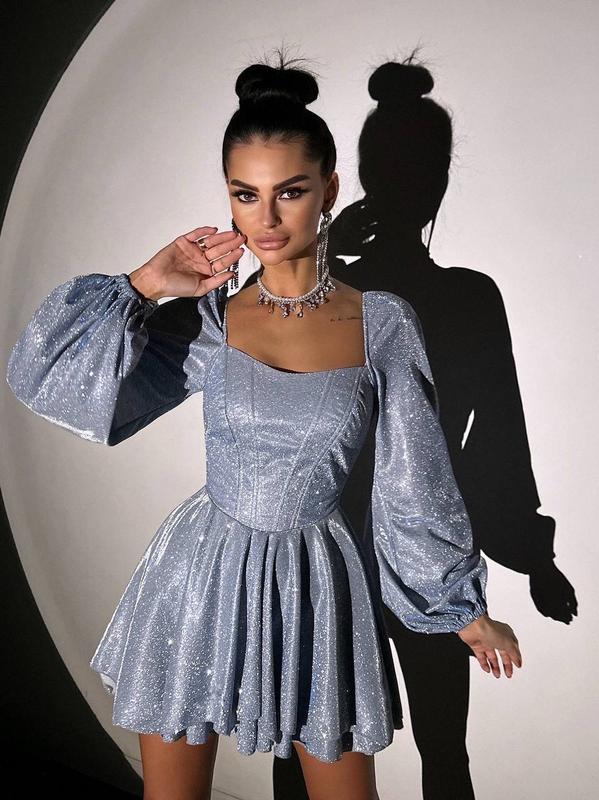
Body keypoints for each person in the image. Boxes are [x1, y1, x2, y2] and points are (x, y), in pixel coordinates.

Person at [5, 50, 521, 800]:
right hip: (198, 578)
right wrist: (145, 284)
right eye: (246, 195)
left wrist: (462, 612)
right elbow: (52, 378)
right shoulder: (212, 322)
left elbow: (413, 480)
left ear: (329, 191)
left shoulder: (380, 325)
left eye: (290, 192)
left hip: (317, 586)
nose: (266, 219)